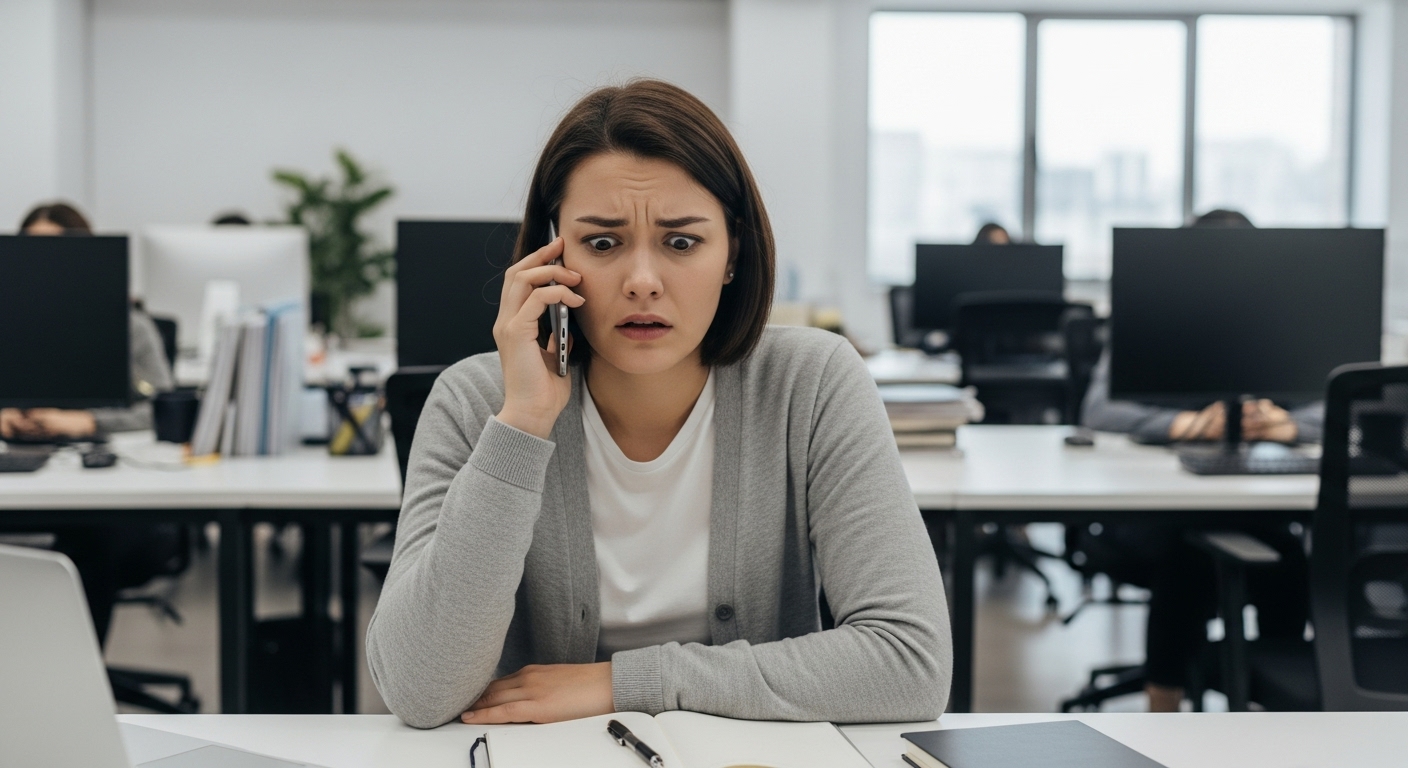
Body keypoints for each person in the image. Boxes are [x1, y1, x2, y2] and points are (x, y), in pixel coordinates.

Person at [366, 80, 952, 729]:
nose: (642, 281)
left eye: (681, 242)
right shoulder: (476, 401)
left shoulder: (810, 384)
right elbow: (420, 689)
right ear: (551, 254)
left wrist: (626, 684)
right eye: (603, 243)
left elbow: (910, 662)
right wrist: (524, 422)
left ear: (733, 252)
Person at [1078, 208, 1311, 711]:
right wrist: (1179, 425)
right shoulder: (1151, 310)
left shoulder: (1276, 318)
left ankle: (1276, 706)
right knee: (1190, 553)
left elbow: (1336, 401)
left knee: (1288, 559)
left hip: (1249, 503)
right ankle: (1162, 705)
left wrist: (1290, 426)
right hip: (1153, 509)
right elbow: (1097, 408)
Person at [1, 202, 182, 645]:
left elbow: (161, 408)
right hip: (19, 490)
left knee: (90, 543)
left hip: (103, 497)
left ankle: (78, 678)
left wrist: (84, 422)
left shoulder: (129, 326)